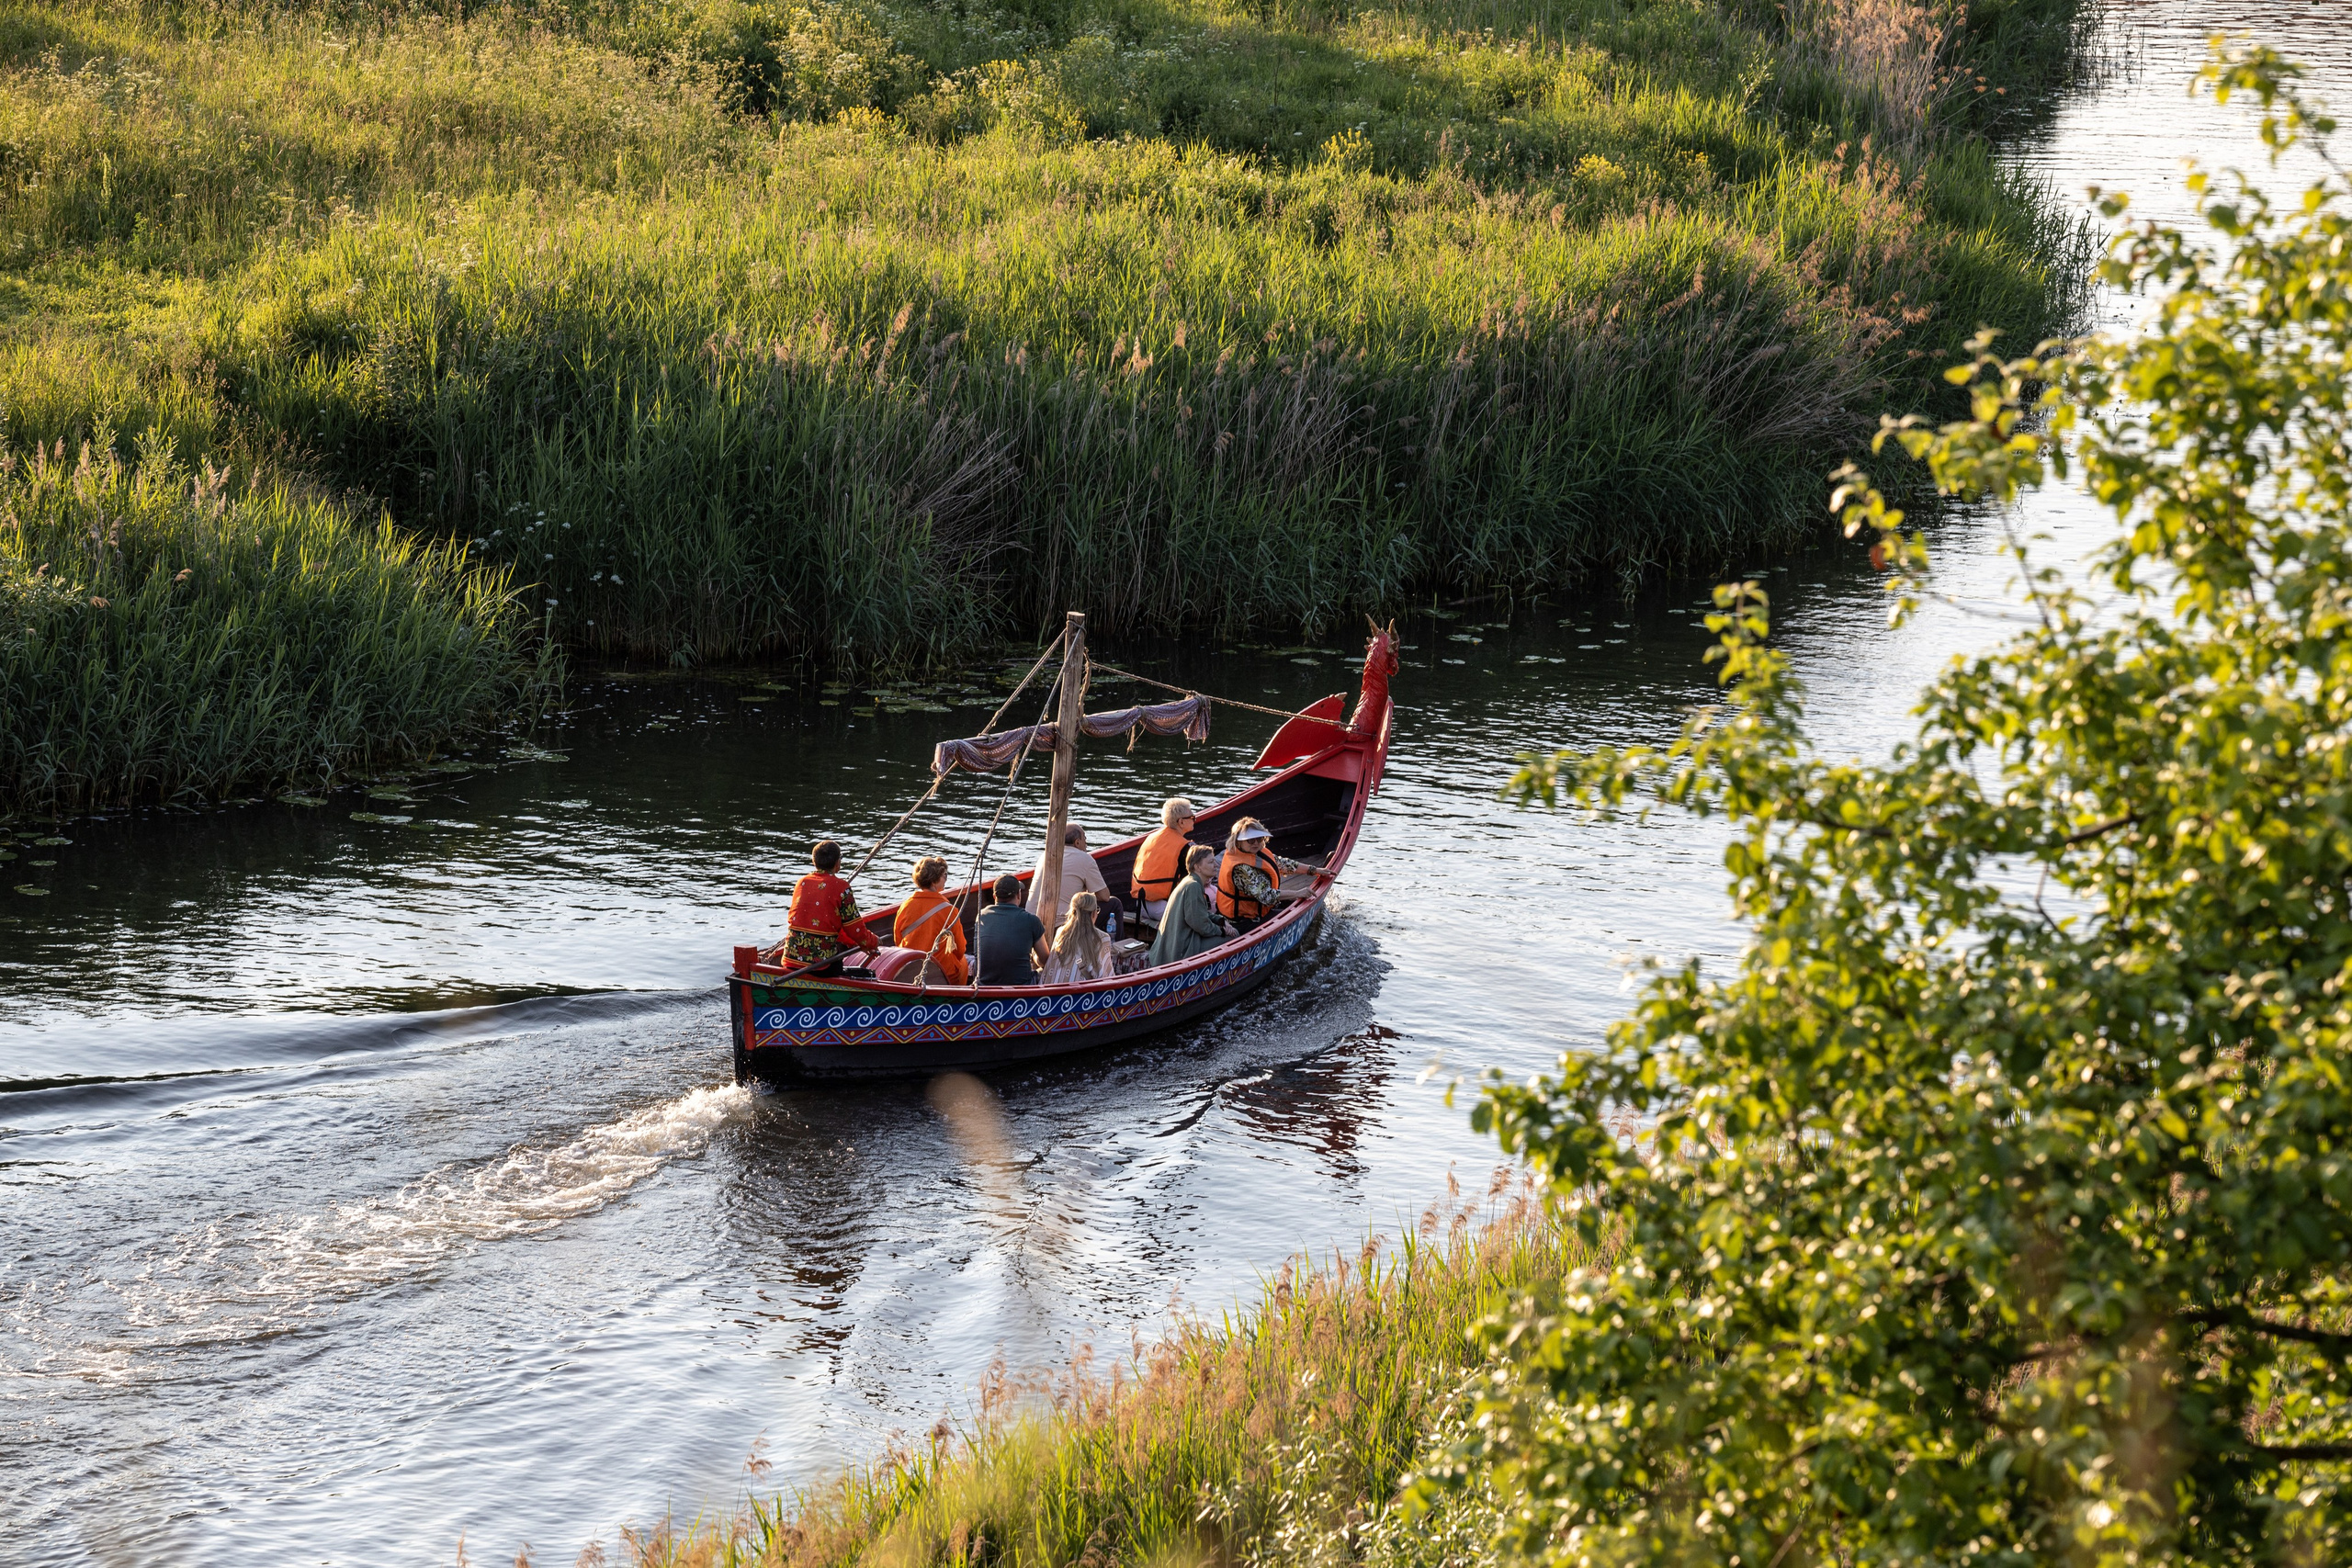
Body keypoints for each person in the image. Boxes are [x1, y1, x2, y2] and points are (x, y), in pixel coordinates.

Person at [783, 840, 880, 974]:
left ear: (814, 861)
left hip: (790, 960)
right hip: (822, 966)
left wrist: (858, 943)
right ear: (837, 863)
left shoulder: (802, 882)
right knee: (867, 973)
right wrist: (873, 942)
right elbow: (854, 928)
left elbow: (827, 924)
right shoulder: (842, 887)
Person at [1146, 845, 1230, 967]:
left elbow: (1200, 913)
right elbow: (1200, 924)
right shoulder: (1194, 886)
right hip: (1181, 952)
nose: (1216, 865)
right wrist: (1222, 930)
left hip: (1172, 948)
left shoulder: (1188, 881)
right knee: (1231, 939)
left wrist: (1221, 921)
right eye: (1211, 862)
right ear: (1197, 867)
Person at [1215, 818, 1302, 933]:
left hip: (1261, 908)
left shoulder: (1255, 852)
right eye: (1250, 840)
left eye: (1259, 838)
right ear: (1238, 841)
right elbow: (1266, 895)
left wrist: (1315, 870)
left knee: (1295, 902)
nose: (1256, 843)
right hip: (1243, 922)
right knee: (1295, 914)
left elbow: (1284, 864)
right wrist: (1298, 893)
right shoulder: (1240, 868)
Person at [892, 855, 970, 985]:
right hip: (942, 974)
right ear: (934, 882)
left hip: (910, 972)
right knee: (963, 962)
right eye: (944, 875)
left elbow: (898, 940)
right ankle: (957, 996)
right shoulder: (949, 911)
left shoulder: (905, 906)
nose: (946, 879)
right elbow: (960, 949)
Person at [1129, 797, 1197, 924]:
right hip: (1165, 909)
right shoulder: (1185, 848)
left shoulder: (1151, 837)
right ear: (1181, 822)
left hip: (1141, 905)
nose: (1194, 819)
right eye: (1192, 817)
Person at [974, 872, 1048, 987]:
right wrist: (1033, 956)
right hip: (1021, 986)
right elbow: (1045, 961)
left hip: (985, 986)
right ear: (1019, 895)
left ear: (995, 897)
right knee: (1048, 971)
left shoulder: (981, 916)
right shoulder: (1031, 920)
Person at [1026, 824, 1111, 919]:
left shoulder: (1045, 855)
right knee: (1114, 904)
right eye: (1085, 839)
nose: (1086, 844)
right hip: (1059, 923)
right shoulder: (1085, 859)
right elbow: (1104, 896)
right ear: (1077, 842)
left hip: (1032, 920)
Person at [1042, 891, 1115, 986]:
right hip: (1080, 996)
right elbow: (1107, 979)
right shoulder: (1102, 938)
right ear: (1093, 913)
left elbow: (1048, 968)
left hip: (1052, 993)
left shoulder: (1061, 932)